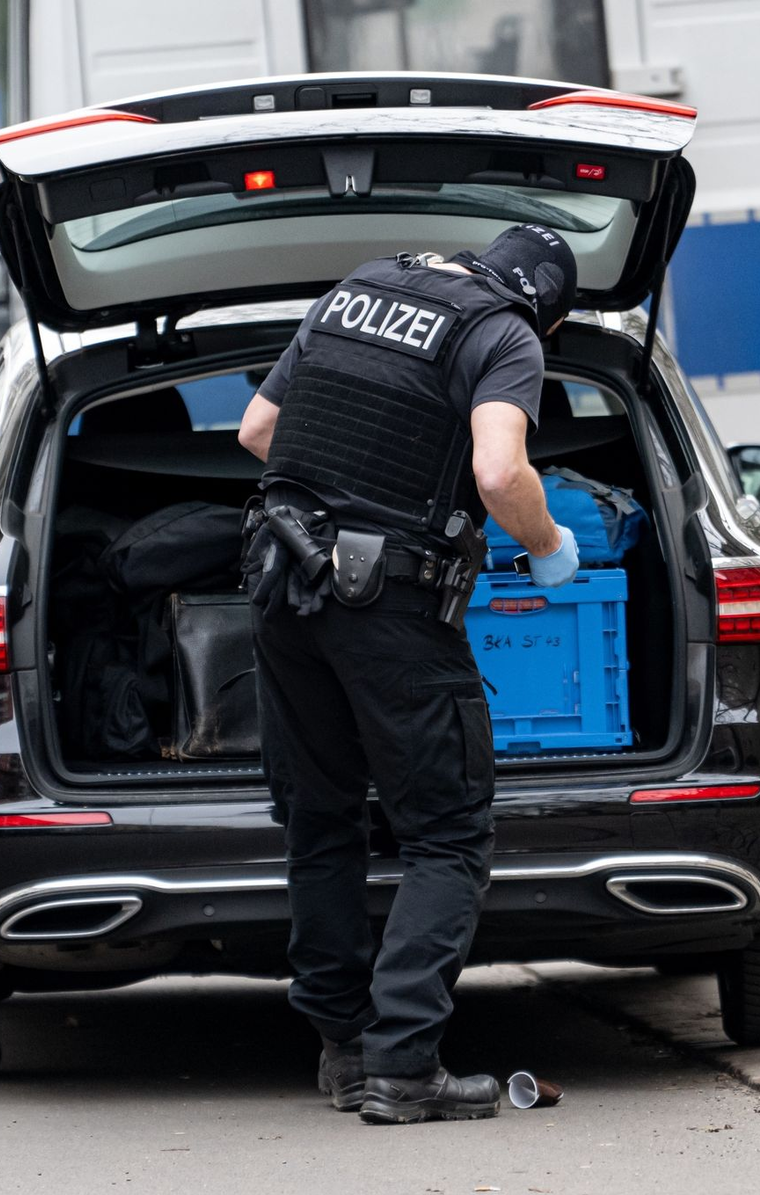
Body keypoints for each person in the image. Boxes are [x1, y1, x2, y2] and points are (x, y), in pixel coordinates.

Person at [237, 224, 580, 1124]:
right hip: (388, 604)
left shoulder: (356, 289)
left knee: (322, 819)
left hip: (281, 583)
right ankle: (403, 1066)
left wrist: (340, 502)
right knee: (446, 834)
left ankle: (346, 1055)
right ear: (545, 309)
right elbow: (500, 471)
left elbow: (257, 429)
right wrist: (547, 545)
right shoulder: (504, 334)